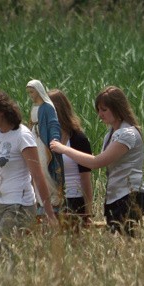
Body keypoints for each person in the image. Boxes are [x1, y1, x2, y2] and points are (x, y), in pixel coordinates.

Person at [50, 86, 144, 236]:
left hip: (130, 196)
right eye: (98, 110)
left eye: (104, 110)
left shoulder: (127, 134)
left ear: (117, 108)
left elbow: (96, 162)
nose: (100, 115)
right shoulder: (111, 133)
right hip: (116, 196)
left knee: (127, 244)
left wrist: (63, 149)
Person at [0, 88, 57, 258]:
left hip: (18, 206)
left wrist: (49, 213)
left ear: (1, 112)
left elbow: (37, 175)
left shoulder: (22, 136)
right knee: (7, 261)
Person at [48, 89, 93, 225]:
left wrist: (88, 211)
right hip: (52, 201)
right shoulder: (45, 139)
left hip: (75, 200)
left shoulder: (78, 139)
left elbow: (86, 178)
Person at [26, 79, 64, 212]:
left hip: (43, 140)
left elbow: (53, 124)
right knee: (35, 168)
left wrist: (55, 139)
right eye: (29, 92)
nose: (30, 95)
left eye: (32, 92)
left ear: (38, 91)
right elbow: (31, 124)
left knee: (44, 166)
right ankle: (40, 197)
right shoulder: (34, 107)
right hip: (34, 139)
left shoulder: (47, 107)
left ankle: (52, 195)